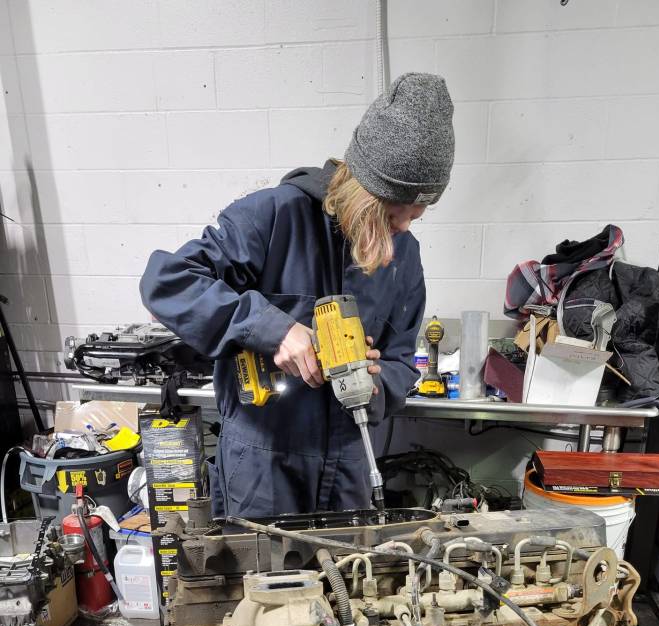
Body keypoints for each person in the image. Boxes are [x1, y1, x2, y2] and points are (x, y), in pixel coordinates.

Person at [140, 72, 455, 518]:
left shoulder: (405, 255)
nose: (402, 229)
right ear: (364, 190)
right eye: (392, 213)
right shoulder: (272, 218)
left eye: (416, 216)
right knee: (261, 586)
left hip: (350, 468)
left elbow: (403, 361)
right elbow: (167, 283)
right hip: (263, 466)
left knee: (349, 582)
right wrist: (273, 328)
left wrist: (375, 382)